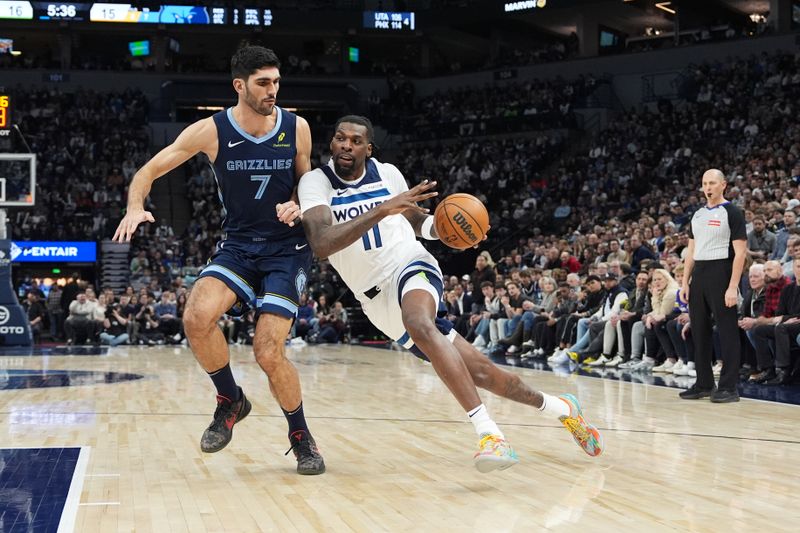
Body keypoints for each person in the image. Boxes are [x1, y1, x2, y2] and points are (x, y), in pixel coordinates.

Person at [297, 115, 603, 472]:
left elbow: (417, 224)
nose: (346, 146)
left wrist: (447, 231)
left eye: (354, 140)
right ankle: (563, 408)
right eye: (339, 138)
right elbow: (321, 244)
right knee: (485, 375)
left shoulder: (387, 173)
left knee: (418, 321)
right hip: (374, 302)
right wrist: (382, 209)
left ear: (368, 147)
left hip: (408, 264)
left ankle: (491, 436)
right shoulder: (315, 184)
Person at [112, 46, 324, 475]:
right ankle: (230, 399)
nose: (273, 90)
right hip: (240, 247)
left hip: (287, 251)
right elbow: (147, 172)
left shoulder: (297, 127)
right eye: (264, 83)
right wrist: (135, 207)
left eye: (277, 82)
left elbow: (309, 182)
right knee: (195, 317)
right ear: (239, 85)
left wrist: (300, 202)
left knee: (267, 351)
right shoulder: (211, 130)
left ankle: (300, 435)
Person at [679, 169, 747, 402]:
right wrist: (685, 281)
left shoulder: (733, 212)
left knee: (727, 331)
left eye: (712, 183)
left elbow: (740, 253)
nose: (708, 187)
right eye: (705, 183)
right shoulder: (697, 214)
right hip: (700, 273)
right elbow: (691, 250)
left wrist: (732, 286)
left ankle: (729, 387)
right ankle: (704, 383)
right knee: (699, 330)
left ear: (723, 185)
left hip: (722, 271)